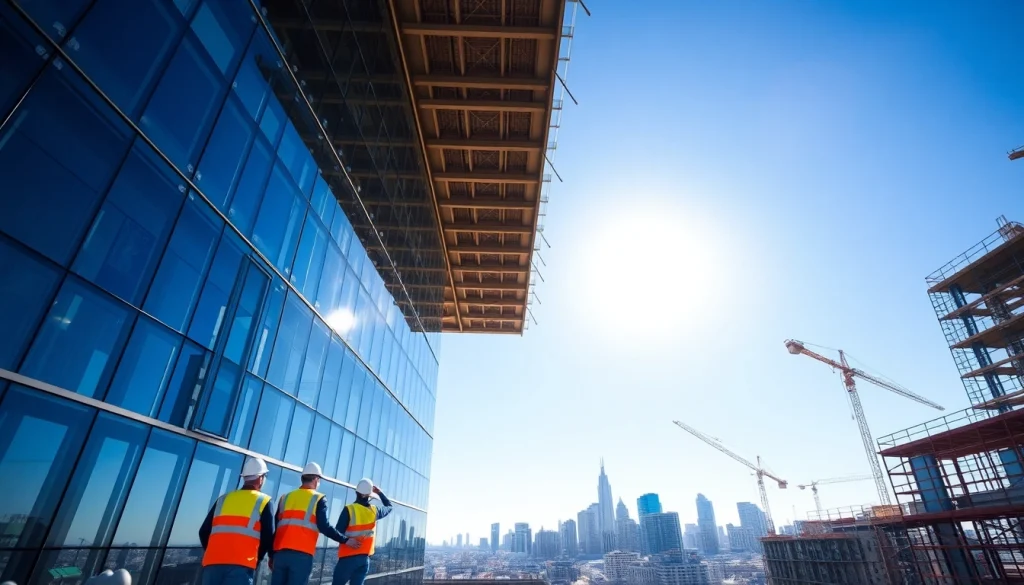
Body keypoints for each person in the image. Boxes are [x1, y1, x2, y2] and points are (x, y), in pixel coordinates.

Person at [199, 456, 275, 585]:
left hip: (213, 564)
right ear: (260, 478)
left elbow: (203, 531)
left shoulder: (223, 499)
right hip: (241, 564)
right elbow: (268, 536)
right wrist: (258, 558)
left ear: (244, 478)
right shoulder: (264, 501)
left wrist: (214, 553)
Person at [271, 462, 348, 585]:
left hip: (280, 554)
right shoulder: (318, 498)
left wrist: (272, 554)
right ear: (316, 479)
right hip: (301, 555)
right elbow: (324, 526)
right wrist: (345, 540)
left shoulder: (285, 497)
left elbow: (275, 526)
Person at [331, 478, 393, 585]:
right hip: (363, 560)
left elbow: (336, 532)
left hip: (347, 558)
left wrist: (346, 540)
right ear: (369, 496)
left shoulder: (349, 509)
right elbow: (389, 506)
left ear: (356, 493)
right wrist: (379, 493)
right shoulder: (374, 511)